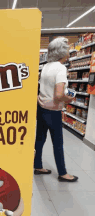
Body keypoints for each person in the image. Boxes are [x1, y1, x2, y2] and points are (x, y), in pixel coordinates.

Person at [34, 37, 78, 182]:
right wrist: (69, 99)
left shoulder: (46, 66)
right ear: (62, 51)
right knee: (57, 143)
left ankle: (38, 165)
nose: (69, 53)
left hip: (41, 108)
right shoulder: (60, 68)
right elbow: (59, 95)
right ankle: (63, 173)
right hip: (53, 112)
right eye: (67, 50)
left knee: (39, 140)